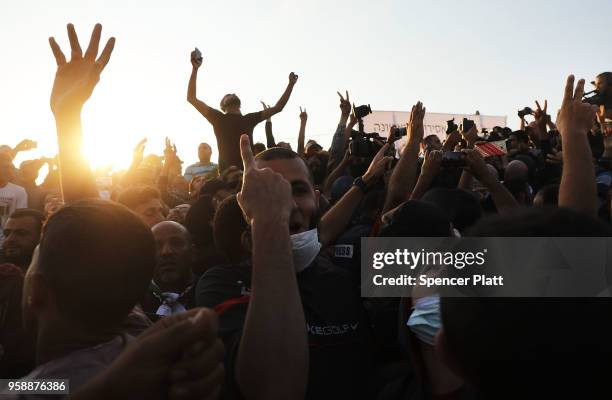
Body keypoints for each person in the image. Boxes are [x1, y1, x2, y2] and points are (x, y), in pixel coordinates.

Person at [197, 135, 372, 399]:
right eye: (270, 192)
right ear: (247, 205)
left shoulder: (346, 274)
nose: (286, 203)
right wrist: (268, 218)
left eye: (298, 191)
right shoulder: (220, 283)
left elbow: (445, 267)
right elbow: (273, 390)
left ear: (316, 199)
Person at [187, 48, 299, 170]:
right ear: (223, 105)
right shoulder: (218, 118)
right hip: (227, 176)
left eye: (233, 94)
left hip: (248, 173)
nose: (233, 94)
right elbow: (191, 98)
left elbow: (278, 107)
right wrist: (195, 69)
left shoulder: (249, 119)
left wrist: (290, 85)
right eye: (228, 95)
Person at [140, 221, 196, 320]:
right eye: (156, 245)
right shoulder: (133, 302)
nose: (166, 251)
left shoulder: (212, 295)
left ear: (193, 252)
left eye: (176, 243)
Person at [0, 152, 28, 243]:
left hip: (5, 242)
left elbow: (21, 220)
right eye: (5, 167)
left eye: (11, 167)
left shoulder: (19, 191)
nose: (9, 170)